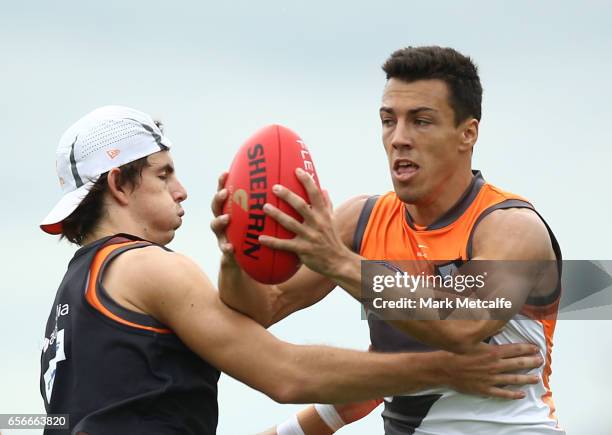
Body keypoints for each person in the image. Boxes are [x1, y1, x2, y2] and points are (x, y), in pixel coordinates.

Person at [38, 106, 542, 435]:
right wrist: (443, 370)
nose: (182, 189)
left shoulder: (75, 292)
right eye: (164, 173)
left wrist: (234, 256)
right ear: (119, 185)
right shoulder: (147, 268)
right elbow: (285, 373)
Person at [211, 46, 564, 434]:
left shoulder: (509, 226)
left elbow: (465, 323)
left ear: (468, 133)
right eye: (387, 121)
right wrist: (236, 251)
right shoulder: (362, 220)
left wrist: (341, 263)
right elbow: (261, 309)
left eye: (421, 121)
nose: (399, 138)